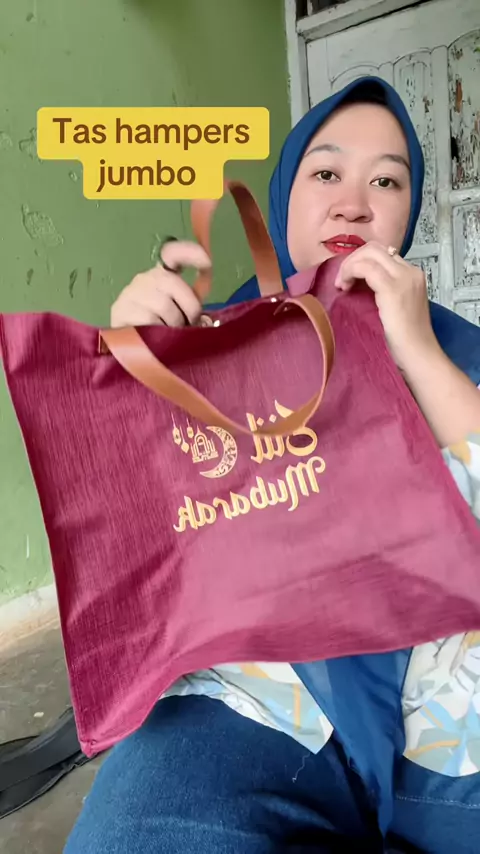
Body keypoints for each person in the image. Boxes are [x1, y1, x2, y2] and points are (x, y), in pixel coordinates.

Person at [65, 78, 480, 853]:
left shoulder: (453, 349)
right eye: (327, 173)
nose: (354, 205)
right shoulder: (201, 342)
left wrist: (419, 355)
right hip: (257, 693)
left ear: (409, 211)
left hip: (446, 714)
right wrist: (129, 376)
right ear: (286, 195)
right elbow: (132, 552)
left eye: (386, 181)